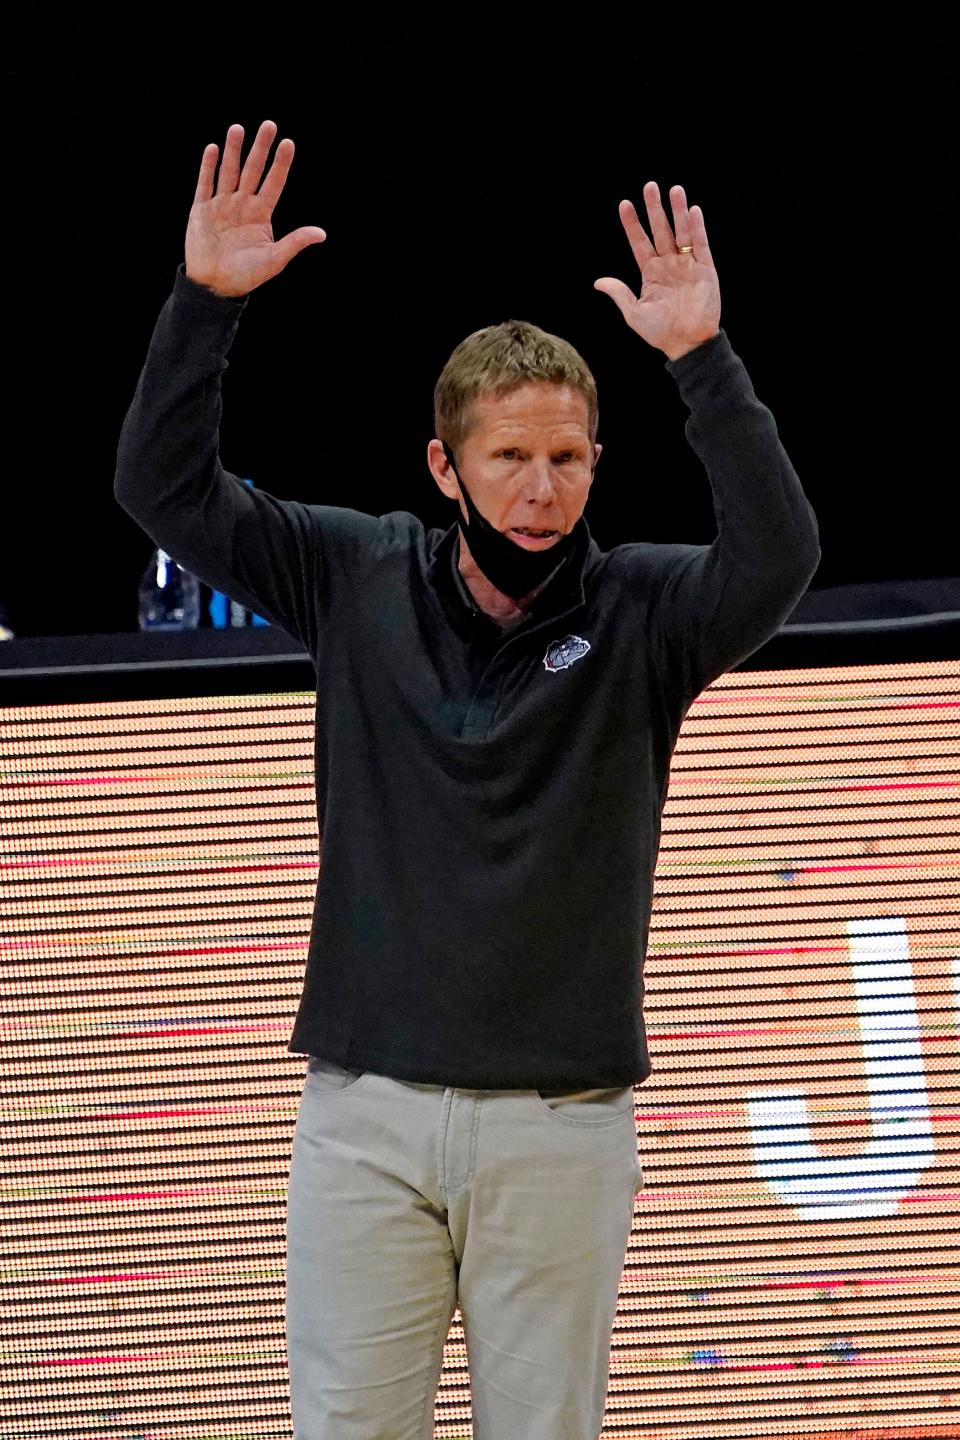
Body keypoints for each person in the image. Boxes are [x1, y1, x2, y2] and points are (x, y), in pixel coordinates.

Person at [115, 120, 820, 1440]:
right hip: (365, 1114)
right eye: (510, 456)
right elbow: (157, 486)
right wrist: (202, 306)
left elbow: (779, 560)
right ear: (445, 466)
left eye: (567, 458)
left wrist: (703, 362)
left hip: (561, 1123)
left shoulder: (647, 613)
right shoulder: (350, 571)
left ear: (597, 462)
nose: (542, 486)